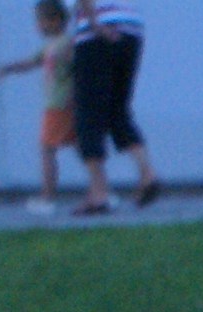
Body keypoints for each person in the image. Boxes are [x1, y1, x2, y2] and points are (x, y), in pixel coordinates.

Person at [68, 0, 162, 216]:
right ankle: (147, 173)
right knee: (117, 110)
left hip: (97, 30)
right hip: (131, 28)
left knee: (88, 113)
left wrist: (94, 23)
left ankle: (99, 193)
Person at [0, 0, 76, 215]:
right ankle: (101, 189)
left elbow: (76, 71)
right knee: (80, 147)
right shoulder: (51, 45)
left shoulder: (65, 44)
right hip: (58, 105)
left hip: (59, 105)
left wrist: (73, 97)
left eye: (40, 21)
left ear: (55, 21)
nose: (38, 26)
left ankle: (47, 198)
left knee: (47, 150)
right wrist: (10, 68)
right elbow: (32, 62)